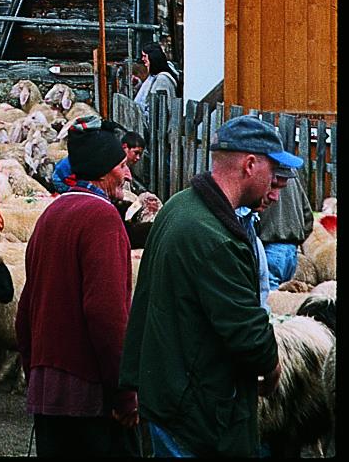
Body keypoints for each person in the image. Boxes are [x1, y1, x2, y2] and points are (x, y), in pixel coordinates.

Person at [119, 113, 302, 458]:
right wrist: (272, 368)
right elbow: (246, 331)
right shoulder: (214, 238)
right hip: (195, 408)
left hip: (168, 391)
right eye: (273, 174)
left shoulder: (180, 206)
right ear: (250, 164)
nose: (276, 194)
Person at [15, 116, 139, 457]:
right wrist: (125, 394)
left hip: (49, 393)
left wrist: (35, 373)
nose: (127, 175)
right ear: (102, 171)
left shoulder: (51, 215)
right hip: (89, 397)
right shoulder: (102, 219)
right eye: (122, 166)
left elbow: (26, 310)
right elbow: (107, 315)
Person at [257, 165, 314, 290]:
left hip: (270, 248)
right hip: (291, 250)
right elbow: (307, 215)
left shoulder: (265, 171)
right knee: (282, 297)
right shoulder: (290, 172)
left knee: (268, 298)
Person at [133, 44, 179, 128]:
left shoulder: (162, 80)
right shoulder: (154, 77)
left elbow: (160, 109)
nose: (143, 59)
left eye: (144, 56)